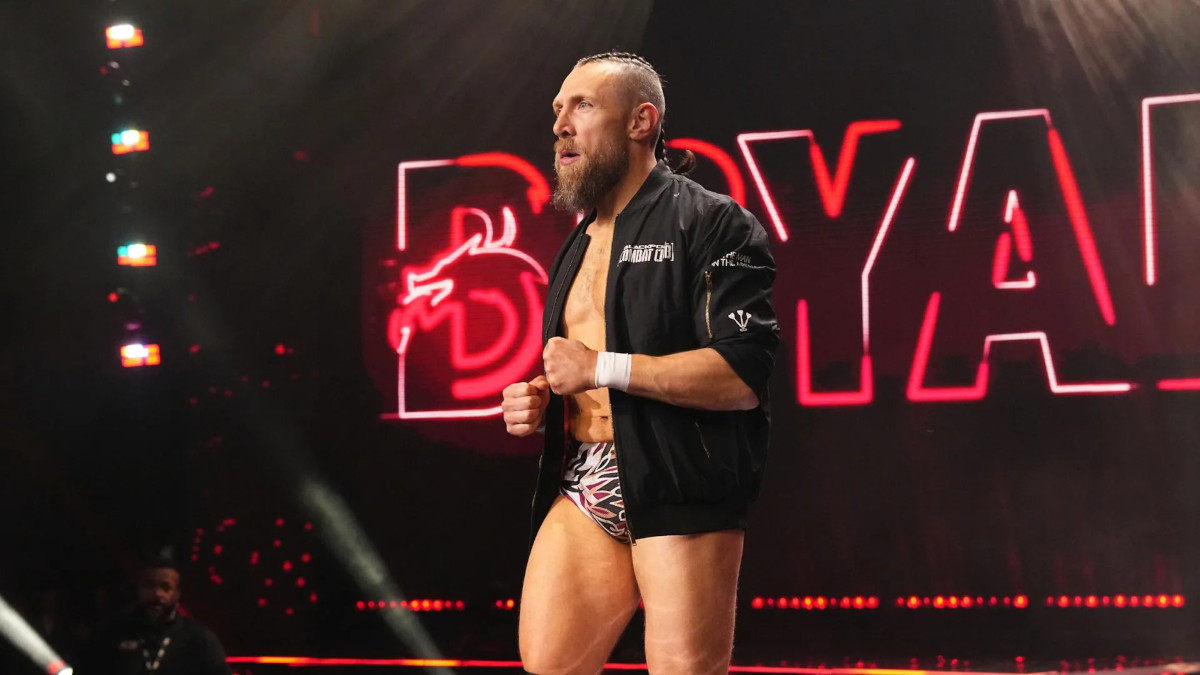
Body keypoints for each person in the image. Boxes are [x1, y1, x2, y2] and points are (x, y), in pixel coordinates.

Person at [502, 52, 779, 674]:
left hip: (681, 477)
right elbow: (583, 364)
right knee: (548, 665)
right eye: (558, 109)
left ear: (640, 121)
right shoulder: (577, 243)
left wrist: (599, 368)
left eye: (583, 105)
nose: (560, 125)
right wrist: (541, 396)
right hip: (589, 478)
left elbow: (741, 375)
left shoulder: (712, 221)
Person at [76, 556, 230, 675]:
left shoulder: (200, 640)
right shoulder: (110, 634)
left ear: (177, 594)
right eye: (149, 586)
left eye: (165, 587)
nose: (157, 594)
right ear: (138, 589)